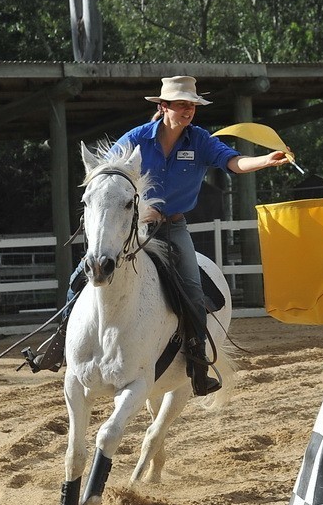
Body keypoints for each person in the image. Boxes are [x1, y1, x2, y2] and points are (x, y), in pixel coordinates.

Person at [27, 76, 289, 395]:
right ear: (164, 107)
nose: (188, 110)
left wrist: (266, 160)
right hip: (132, 227)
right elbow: (107, 177)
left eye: (192, 105)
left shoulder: (200, 140)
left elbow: (233, 162)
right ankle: (60, 347)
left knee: (193, 290)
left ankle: (197, 364)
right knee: (79, 279)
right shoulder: (136, 138)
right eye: (182, 104)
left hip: (173, 226)